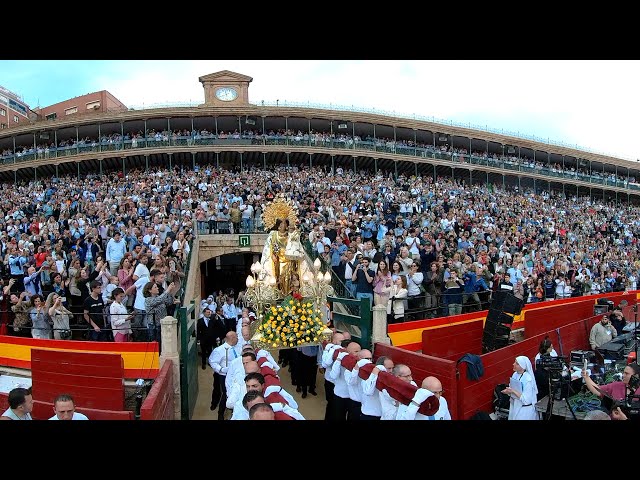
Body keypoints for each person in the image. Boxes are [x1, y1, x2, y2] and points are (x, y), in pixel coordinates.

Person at [208, 331, 239, 420]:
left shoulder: (236, 348)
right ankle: (221, 414)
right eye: (236, 337)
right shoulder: (220, 350)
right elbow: (212, 361)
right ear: (232, 338)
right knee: (225, 394)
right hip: (224, 376)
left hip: (235, 375)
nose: (238, 339)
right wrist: (221, 369)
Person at [501, 356, 539, 420]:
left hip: (525, 411)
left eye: (517, 363)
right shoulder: (515, 374)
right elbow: (512, 389)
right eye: (514, 362)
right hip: (515, 406)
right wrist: (508, 391)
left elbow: (526, 400)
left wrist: (512, 391)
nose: (513, 364)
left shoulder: (528, 379)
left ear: (523, 367)